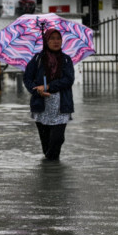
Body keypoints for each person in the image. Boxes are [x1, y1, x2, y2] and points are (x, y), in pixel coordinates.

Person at [23, 28, 75, 161]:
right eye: (52, 38)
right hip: (41, 105)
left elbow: (68, 80)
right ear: (46, 41)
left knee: (57, 139)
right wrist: (36, 89)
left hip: (61, 105)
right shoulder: (38, 59)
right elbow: (27, 78)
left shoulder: (66, 60)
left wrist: (48, 86)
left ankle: (52, 170)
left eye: (58, 38)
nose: (56, 41)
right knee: (46, 144)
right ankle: (50, 174)